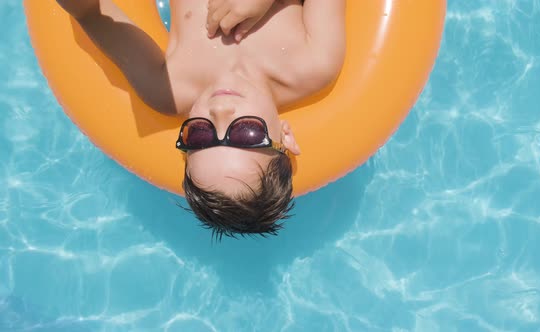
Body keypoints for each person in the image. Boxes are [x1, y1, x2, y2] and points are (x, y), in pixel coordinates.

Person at [56, 0, 346, 238]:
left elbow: (91, 13)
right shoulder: (314, 65)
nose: (220, 112)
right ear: (286, 136)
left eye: (200, 136)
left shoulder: (168, 89)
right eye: (246, 133)